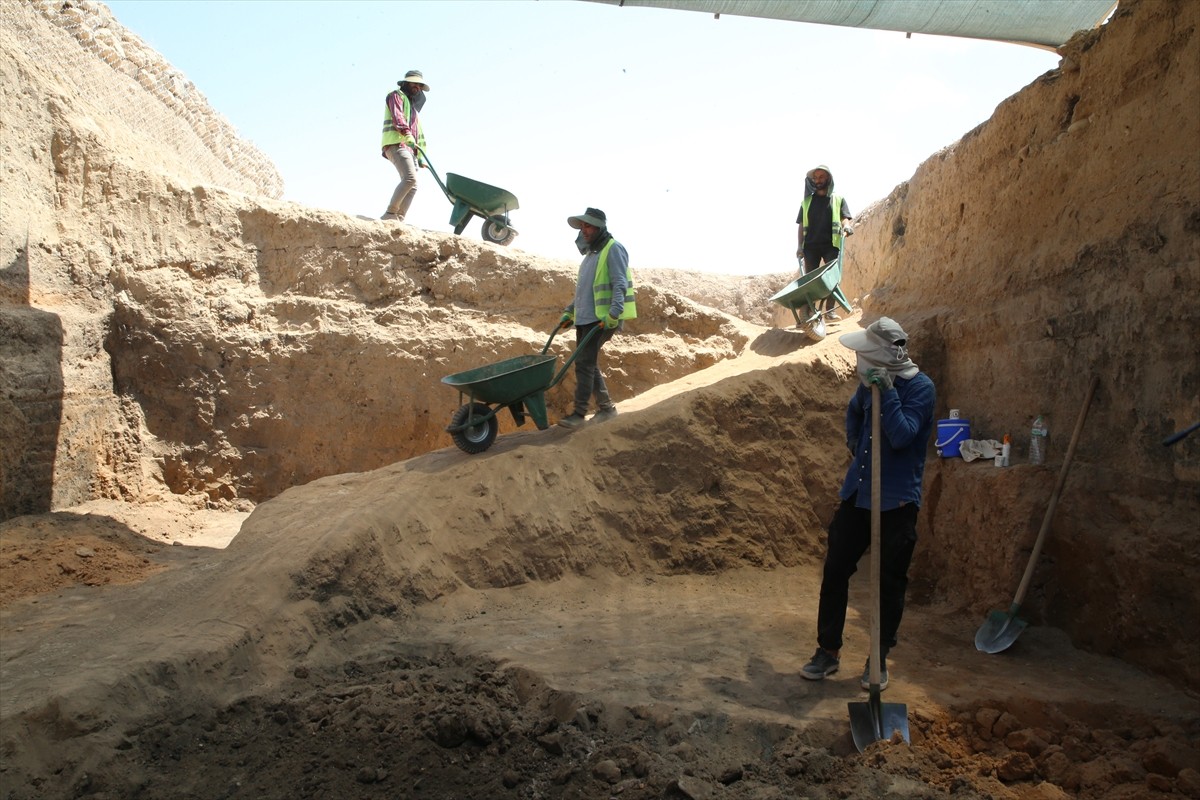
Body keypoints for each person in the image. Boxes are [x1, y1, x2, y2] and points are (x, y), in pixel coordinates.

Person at [800, 317, 936, 691]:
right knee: (836, 569)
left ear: (881, 357)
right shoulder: (866, 386)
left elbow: (902, 436)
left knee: (890, 582)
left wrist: (889, 394)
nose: (859, 360)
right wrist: (855, 443)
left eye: (865, 354)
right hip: (858, 494)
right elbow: (855, 413)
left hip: (897, 501)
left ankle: (878, 658)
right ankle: (827, 650)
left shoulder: (920, 389)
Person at [557, 208, 636, 429]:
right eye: (582, 227)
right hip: (584, 319)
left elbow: (619, 282)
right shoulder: (590, 256)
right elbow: (585, 291)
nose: (583, 231)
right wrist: (570, 312)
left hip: (602, 319)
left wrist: (614, 312)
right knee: (587, 363)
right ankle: (606, 408)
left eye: (588, 226)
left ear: (599, 227)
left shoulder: (613, 249)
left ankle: (579, 414)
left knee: (584, 363)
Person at [796, 164, 853, 320]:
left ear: (828, 178)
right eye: (815, 178)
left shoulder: (838, 199)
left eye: (821, 177)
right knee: (810, 281)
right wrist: (799, 246)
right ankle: (810, 313)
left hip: (831, 244)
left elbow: (844, 217)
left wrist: (847, 226)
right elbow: (801, 225)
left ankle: (830, 311)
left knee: (833, 277)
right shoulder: (806, 202)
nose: (818, 180)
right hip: (810, 247)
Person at [380, 70, 430, 223]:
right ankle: (389, 214)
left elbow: (419, 135)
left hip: (410, 149)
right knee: (409, 179)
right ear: (406, 83)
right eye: (414, 83)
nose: (417, 87)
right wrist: (406, 134)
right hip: (396, 143)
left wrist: (421, 157)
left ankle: (399, 219)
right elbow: (398, 117)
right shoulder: (396, 96)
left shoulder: (413, 111)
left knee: (413, 185)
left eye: (419, 85)